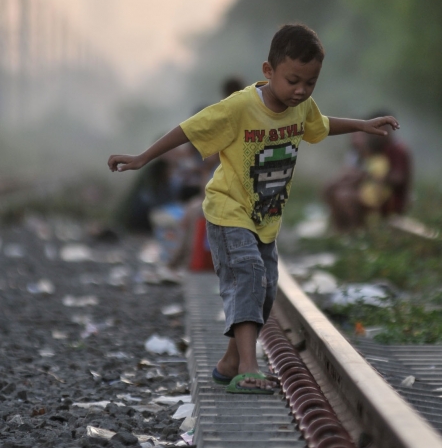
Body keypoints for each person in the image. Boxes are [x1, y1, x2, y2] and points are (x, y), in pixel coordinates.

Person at [108, 24, 399, 394]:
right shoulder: (240, 107)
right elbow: (189, 130)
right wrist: (142, 158)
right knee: (246, 275)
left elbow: (321, 125)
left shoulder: (302, 107)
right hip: (228, 211)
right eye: (293, 80)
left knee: (265, 292)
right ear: (268, 71)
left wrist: (363, 125)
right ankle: (248, 366)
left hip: (265, 219)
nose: (301, 90)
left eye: (310, 83)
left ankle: (229, 362)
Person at [324, 112, 411, 231]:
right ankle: (341, 230)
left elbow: (397, 178)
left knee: (344, 196)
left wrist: (369, 176)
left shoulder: (396, 150)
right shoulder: (376, 149)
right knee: (331, 189)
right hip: (371, 191)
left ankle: (356, 231)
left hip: (389, 198)